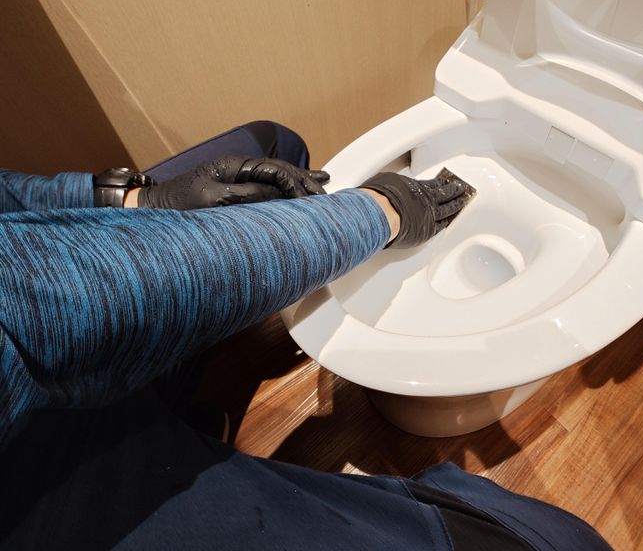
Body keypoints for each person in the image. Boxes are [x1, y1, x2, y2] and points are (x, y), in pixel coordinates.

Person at [0, 121, 611, 550]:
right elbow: (63, 301)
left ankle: (165, 422)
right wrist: (382, 210)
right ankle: (158, 442)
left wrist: (132, 199)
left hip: (37, 357)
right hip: (26, 490)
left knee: (276, 146)